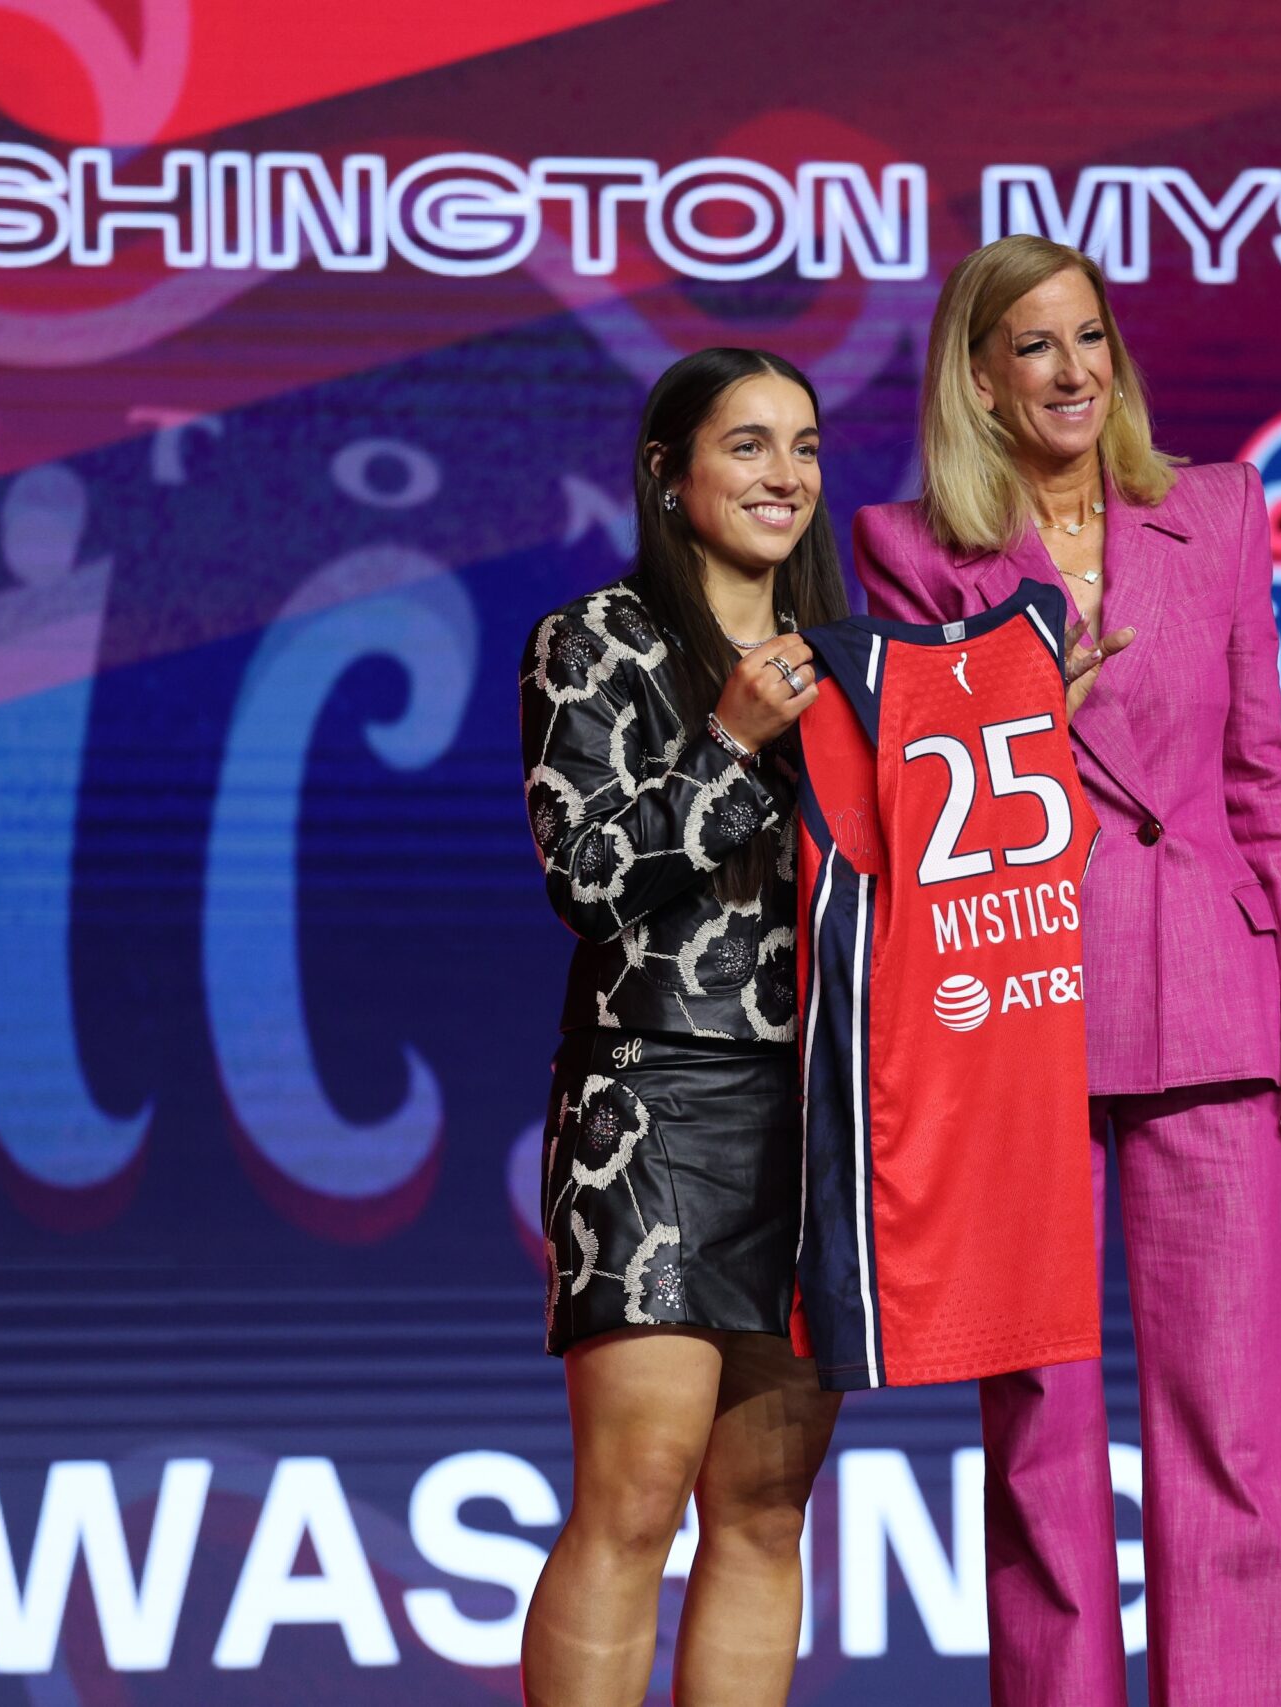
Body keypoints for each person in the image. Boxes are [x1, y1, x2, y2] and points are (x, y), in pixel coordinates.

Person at [852, 235, 1281, 1707]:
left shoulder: (1217, 510)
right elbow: (910, 803)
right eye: (1035, 348)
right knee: (1041, 1426)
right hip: (1022, 1008)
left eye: (1091, 341)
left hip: (1209, 985)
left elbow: (1263, 773)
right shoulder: (910, 548)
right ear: (983, 383)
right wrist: (1013, 699)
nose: (1074, 373)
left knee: (1232, 1420)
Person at [515, 346, 847, 1707]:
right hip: (652, 1107)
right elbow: (586, 880)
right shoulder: (593, 640)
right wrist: (726, 738)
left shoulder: (853, 659)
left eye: (809, 447)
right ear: (670, 472)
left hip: (819, 1116)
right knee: (636, 1498)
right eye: (751, 445)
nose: (788, 477)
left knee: (768, 1512)